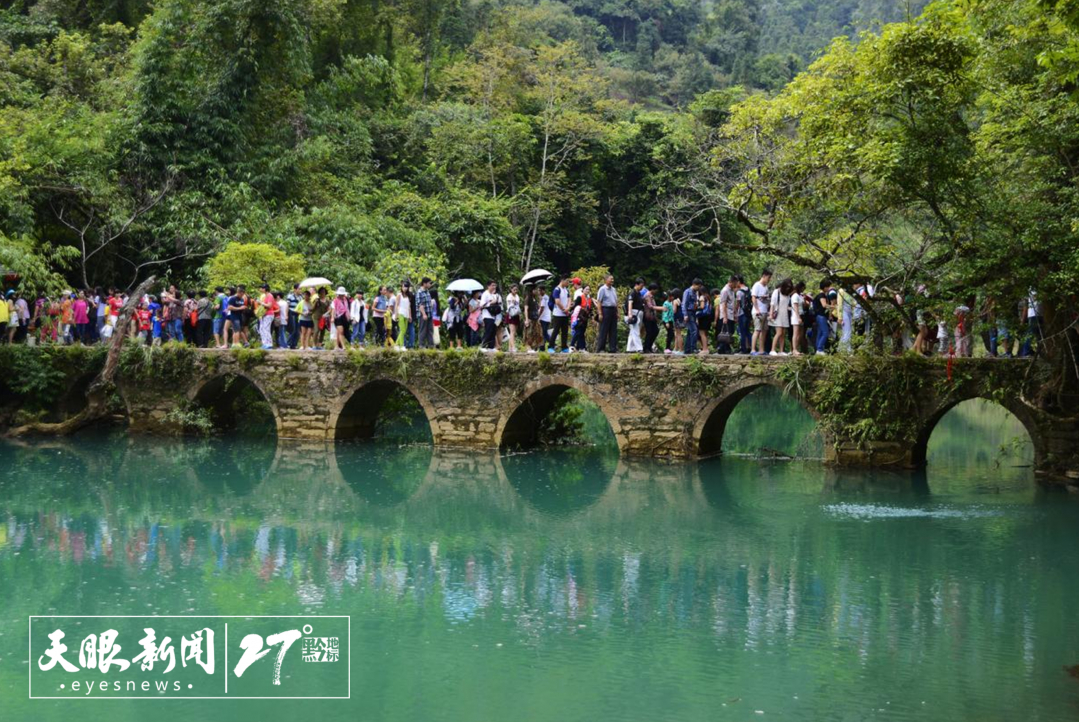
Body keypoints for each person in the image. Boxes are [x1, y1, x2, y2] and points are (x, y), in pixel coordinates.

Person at [751, 269, 772, 356]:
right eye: (768, 277)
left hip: (764, 311)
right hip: (758, 311)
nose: (769, 279)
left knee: (764, 331)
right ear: (763, 276)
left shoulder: (766, 287)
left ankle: (761, 349)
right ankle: (752, 349)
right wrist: (757, 310)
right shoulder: (757, 285)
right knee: (757, 330)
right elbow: (753, 297)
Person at [595, 275, 618, 353]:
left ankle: (613, 348)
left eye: (613, 279)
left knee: (613, 330)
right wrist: (600, 313)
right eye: (611, 279)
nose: (612, 280)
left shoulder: (614, 289)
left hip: (613, 310)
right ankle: (601, 348)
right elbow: (599, 302)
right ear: (606, 280)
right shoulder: (602, 289)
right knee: (603, 329)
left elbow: (615, 302)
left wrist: (617, 312)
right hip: (605, 310)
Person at [717, 276, 739, 355]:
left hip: (731, 314)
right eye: (735, 283)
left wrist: (735, 315)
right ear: (731, 282)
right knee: (726, 332)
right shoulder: (725, 290)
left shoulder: (732, 291)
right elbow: (723, 304)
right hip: (726, 315)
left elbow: (733, 303)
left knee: (730, 332)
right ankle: (722, 348)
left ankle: (724, 348)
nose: (736, 285)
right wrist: (725, 317)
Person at [548, 277, 571, 353]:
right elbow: (557, 301)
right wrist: (564, 309)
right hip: (558, 314)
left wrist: (568, 308)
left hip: (565, 314)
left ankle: (564, 347)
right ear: (562, 280)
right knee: (556, 330)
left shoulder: (566, 290)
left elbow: (569, 299)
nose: (568, 283)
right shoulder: (557, 289)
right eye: (567, 281)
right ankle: (551, 346)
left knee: (565, 331)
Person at [480, 280, 503, 350]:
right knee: (488, 330)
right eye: (492, 285)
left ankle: (491, 347)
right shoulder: (485, 294)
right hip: (487, 315)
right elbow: (481, 305)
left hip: (493, 316)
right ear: (488, 286)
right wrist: (490, 303)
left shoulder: (493, 295)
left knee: (493, 331)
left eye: (495, 285)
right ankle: (483, 346)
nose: (494, 287)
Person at [812, 280, 833, 355]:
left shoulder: (823, 295)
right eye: (828, 287)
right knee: (825, 332)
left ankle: (818, 349)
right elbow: (824, 305)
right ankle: (820, 349)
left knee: (820, 333)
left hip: (820, 316)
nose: (829, 288)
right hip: (821, 316)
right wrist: (834, 306)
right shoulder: (821, 295)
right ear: (825, 287)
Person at [570, 285, 593, 352]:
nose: (587, 291)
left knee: (582, 332)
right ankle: (572, 345)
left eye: (589, 289)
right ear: (583, 290)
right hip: (579, 317)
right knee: (578, 332)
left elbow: (590, 309)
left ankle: (582, 347)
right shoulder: (580, 297)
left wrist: (591, 317)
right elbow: (575, 307)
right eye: (586, 289)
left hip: (585, 318)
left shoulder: (589, 299)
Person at [1020, 289, 1042, 357]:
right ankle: (1025, 352)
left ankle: (1040, 351)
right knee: (1031, 332)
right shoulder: (1033, 287)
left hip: (1040, 313)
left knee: (1039, 334)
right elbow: (1035, 296)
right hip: (1034, 313)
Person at [682, 279, 702, 355]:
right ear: (694, 284)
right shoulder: (687, 292)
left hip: (693, 312)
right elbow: (684, 304)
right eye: (698, 286)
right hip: (688, 312)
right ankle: (693, 348)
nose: (699, 288)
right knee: (694, 330)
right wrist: (685, 314)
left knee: (690, 332)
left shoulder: (695, 293)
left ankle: (687, 349)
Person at [416, 278, 435, 349]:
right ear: (424, 283)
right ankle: (421, 345)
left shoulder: (427, 291)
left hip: (429, 313)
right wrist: (424, 314)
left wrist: (432, 303)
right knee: (422, 330)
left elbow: (428, 302)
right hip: (423, 314)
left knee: (430, 329)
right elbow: (419, 304)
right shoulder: (419, 292)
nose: (430, 284)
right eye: (429, 283)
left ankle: (431, 345)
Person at [626, 279, 644, 352]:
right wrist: (630, 314)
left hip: (639, 312)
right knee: (635, 330)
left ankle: (629, 348)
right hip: (633, 312)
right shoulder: (632, 293)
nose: (642, 288)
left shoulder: (639, 293)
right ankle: (639, 348)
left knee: (633, 331)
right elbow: (630, 303)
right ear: (637, 285)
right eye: (641, 286)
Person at [642, 283, 660, 353]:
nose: (656, 291)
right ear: (652, 289)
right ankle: (646, 348)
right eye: (655, 290)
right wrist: (661, 308)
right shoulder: (647, 296)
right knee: (649, 332)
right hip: (647, 317)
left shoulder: (652, 296)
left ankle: (649, 346)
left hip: (652, 317)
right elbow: (650, 306)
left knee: (655, 331)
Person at [524, 287, 544, 352]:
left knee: (537, 334)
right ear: (531, 290)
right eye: (535, 289)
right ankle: (528, 348)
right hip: (530, 319)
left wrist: (540, 300)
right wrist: (526, 319)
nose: (536, 291)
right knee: (529, 334)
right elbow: (526, 310)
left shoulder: (535, 299)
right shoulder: (528, 299)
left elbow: (538, 309)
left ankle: (534, 348)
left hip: (535, 319)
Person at [257, 284, 276, 349]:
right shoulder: (265, 296)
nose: (260, 289)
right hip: (264, 315)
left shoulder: (270, 296)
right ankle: (264, 344)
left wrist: (261, 303)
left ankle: (269, 344)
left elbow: (269, 306)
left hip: (269, 314)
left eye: (262, 288)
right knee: (262, 329)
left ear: (265, 289)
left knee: (266, 329)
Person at [504, 284, 522, 353]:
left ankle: (510, 348)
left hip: (516, 314)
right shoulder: (509, 296)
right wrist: (513, 301)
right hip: (511, 314)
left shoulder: (517, 296)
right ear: (511, 290)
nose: (515, 291)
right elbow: (510, 304)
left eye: (516, 290)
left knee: (514, 332)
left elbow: (518, 305)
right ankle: (513, 347)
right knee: (512, 331)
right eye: (514, 290)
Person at [790, 281, 805, 356]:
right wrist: (798, 317)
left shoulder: (800, 296)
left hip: (801, 314)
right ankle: (794, 349)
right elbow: (795, 307)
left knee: (800, 334)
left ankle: (796, 348)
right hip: (796, 316)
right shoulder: (795, 295)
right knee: (795, 333)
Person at [286, 283, 301, 349]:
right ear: (295, 289)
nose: (300, 290)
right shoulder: (290, 296)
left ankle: (294, 344)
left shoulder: (301, 297)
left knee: (297, 331)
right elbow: (287, 306)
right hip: (292, 314)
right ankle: (289, 344)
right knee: (292, 329)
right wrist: (286, 315)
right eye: (299, 289)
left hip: (299, 314)